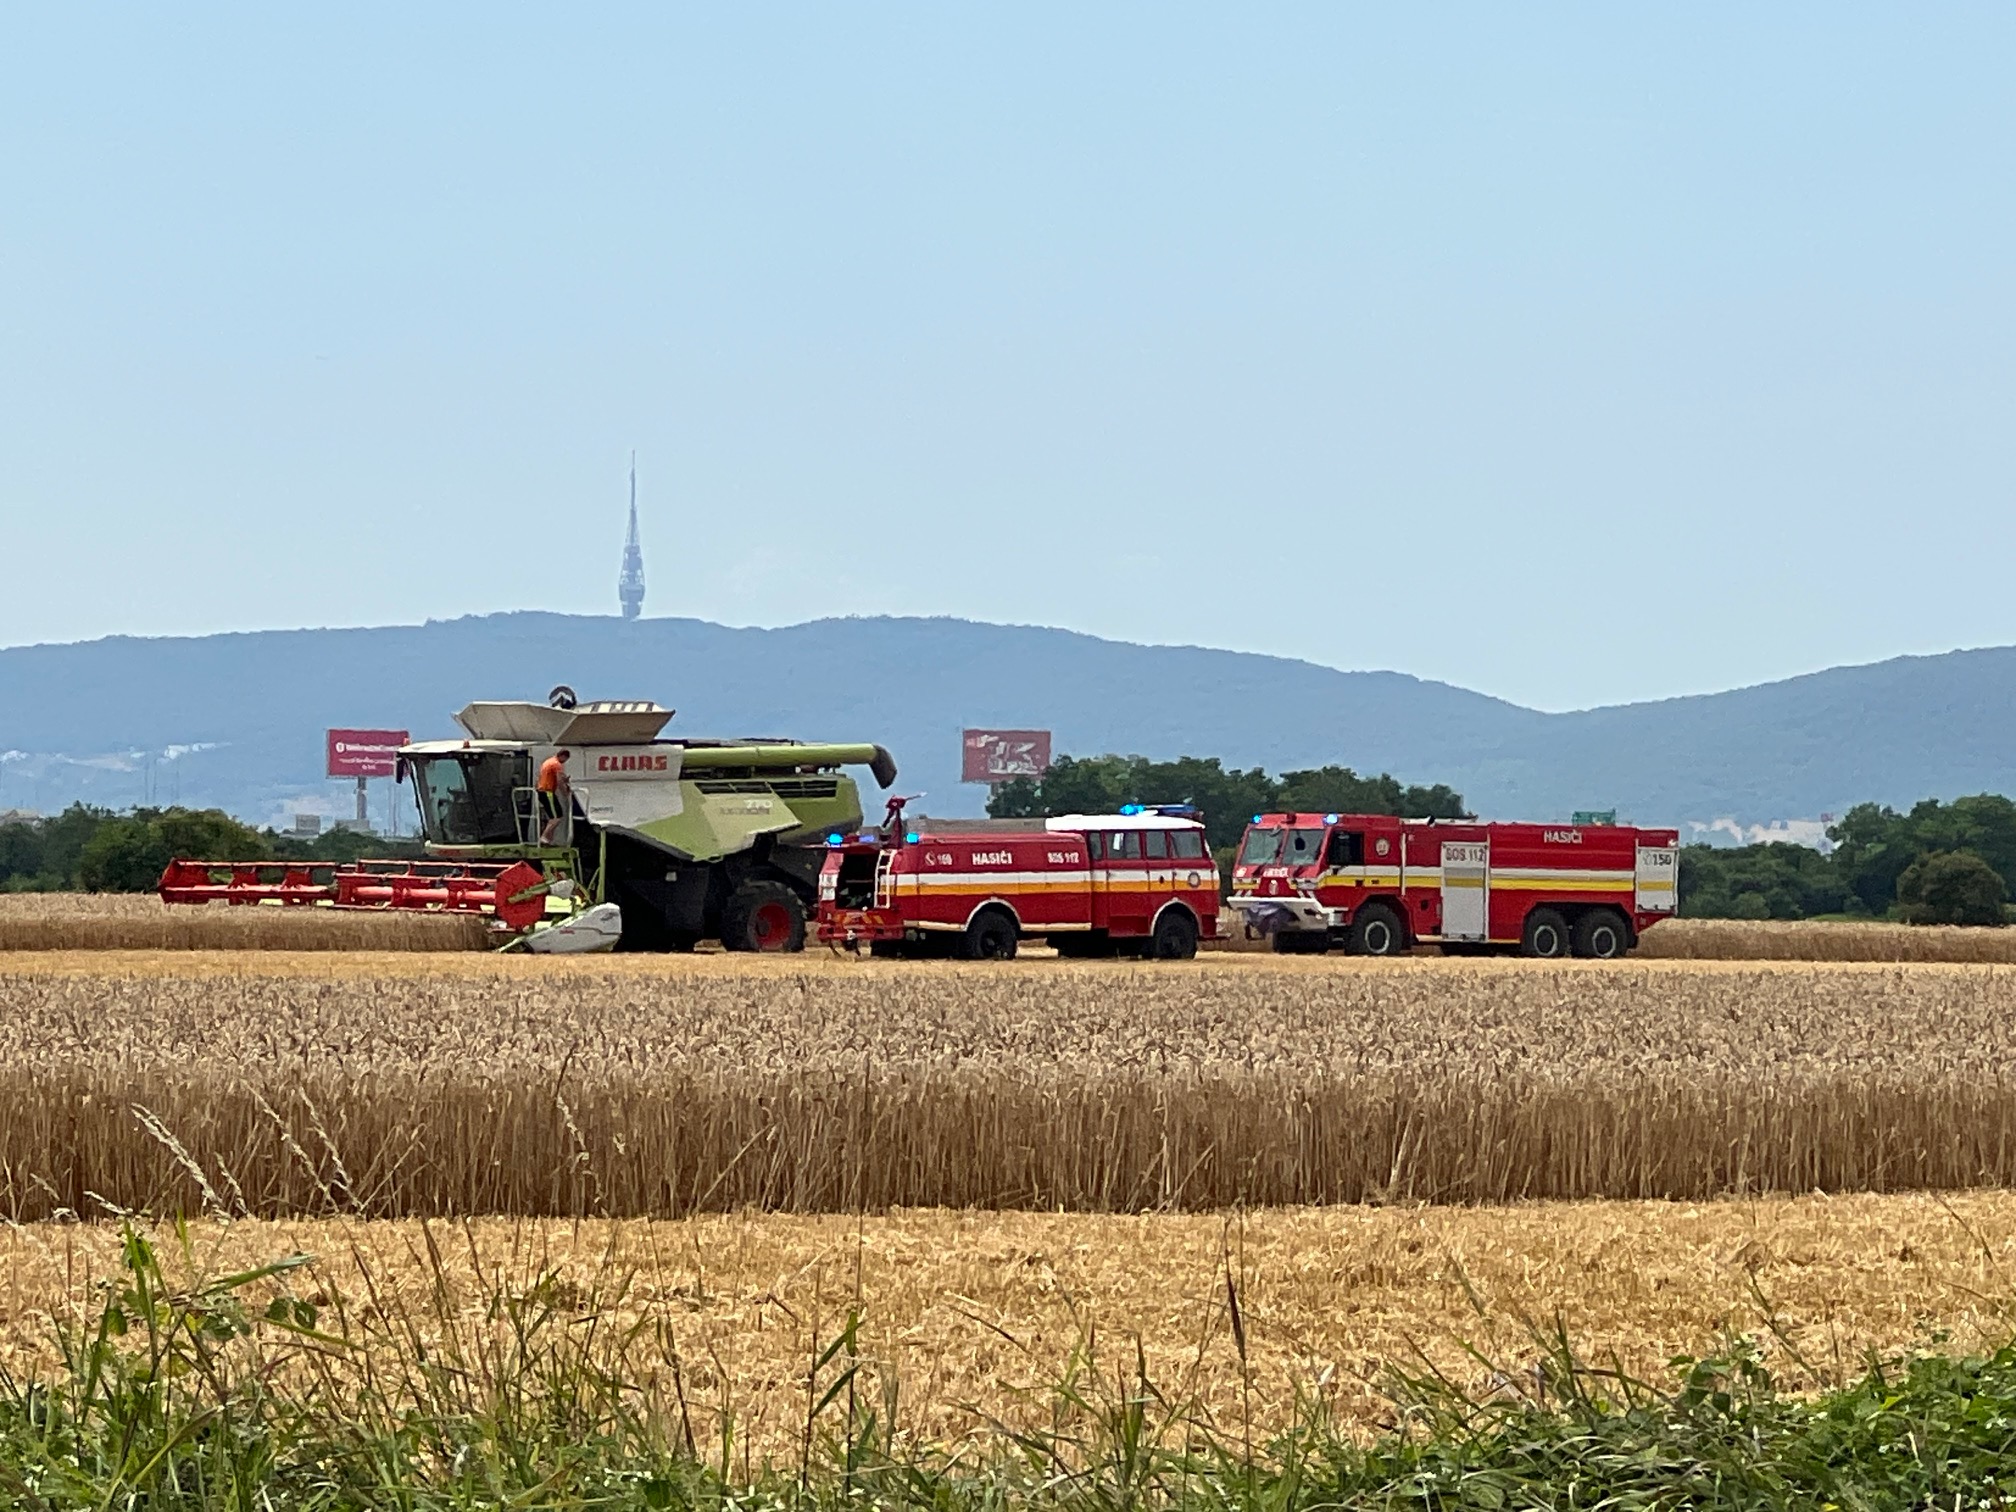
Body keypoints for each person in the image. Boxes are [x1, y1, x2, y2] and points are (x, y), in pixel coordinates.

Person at [537, 748, 572, 843]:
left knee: (553, 816)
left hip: (542, 791)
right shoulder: (557, 764)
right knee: (557, 817)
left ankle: (549, 839)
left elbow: (552, 776)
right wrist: (565, 793)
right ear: (563, 756)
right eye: (565, 760)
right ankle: (544, 837)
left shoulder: (548, 761)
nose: (564, 762)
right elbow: (559, 780)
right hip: (547, 792)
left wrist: (564, 780)